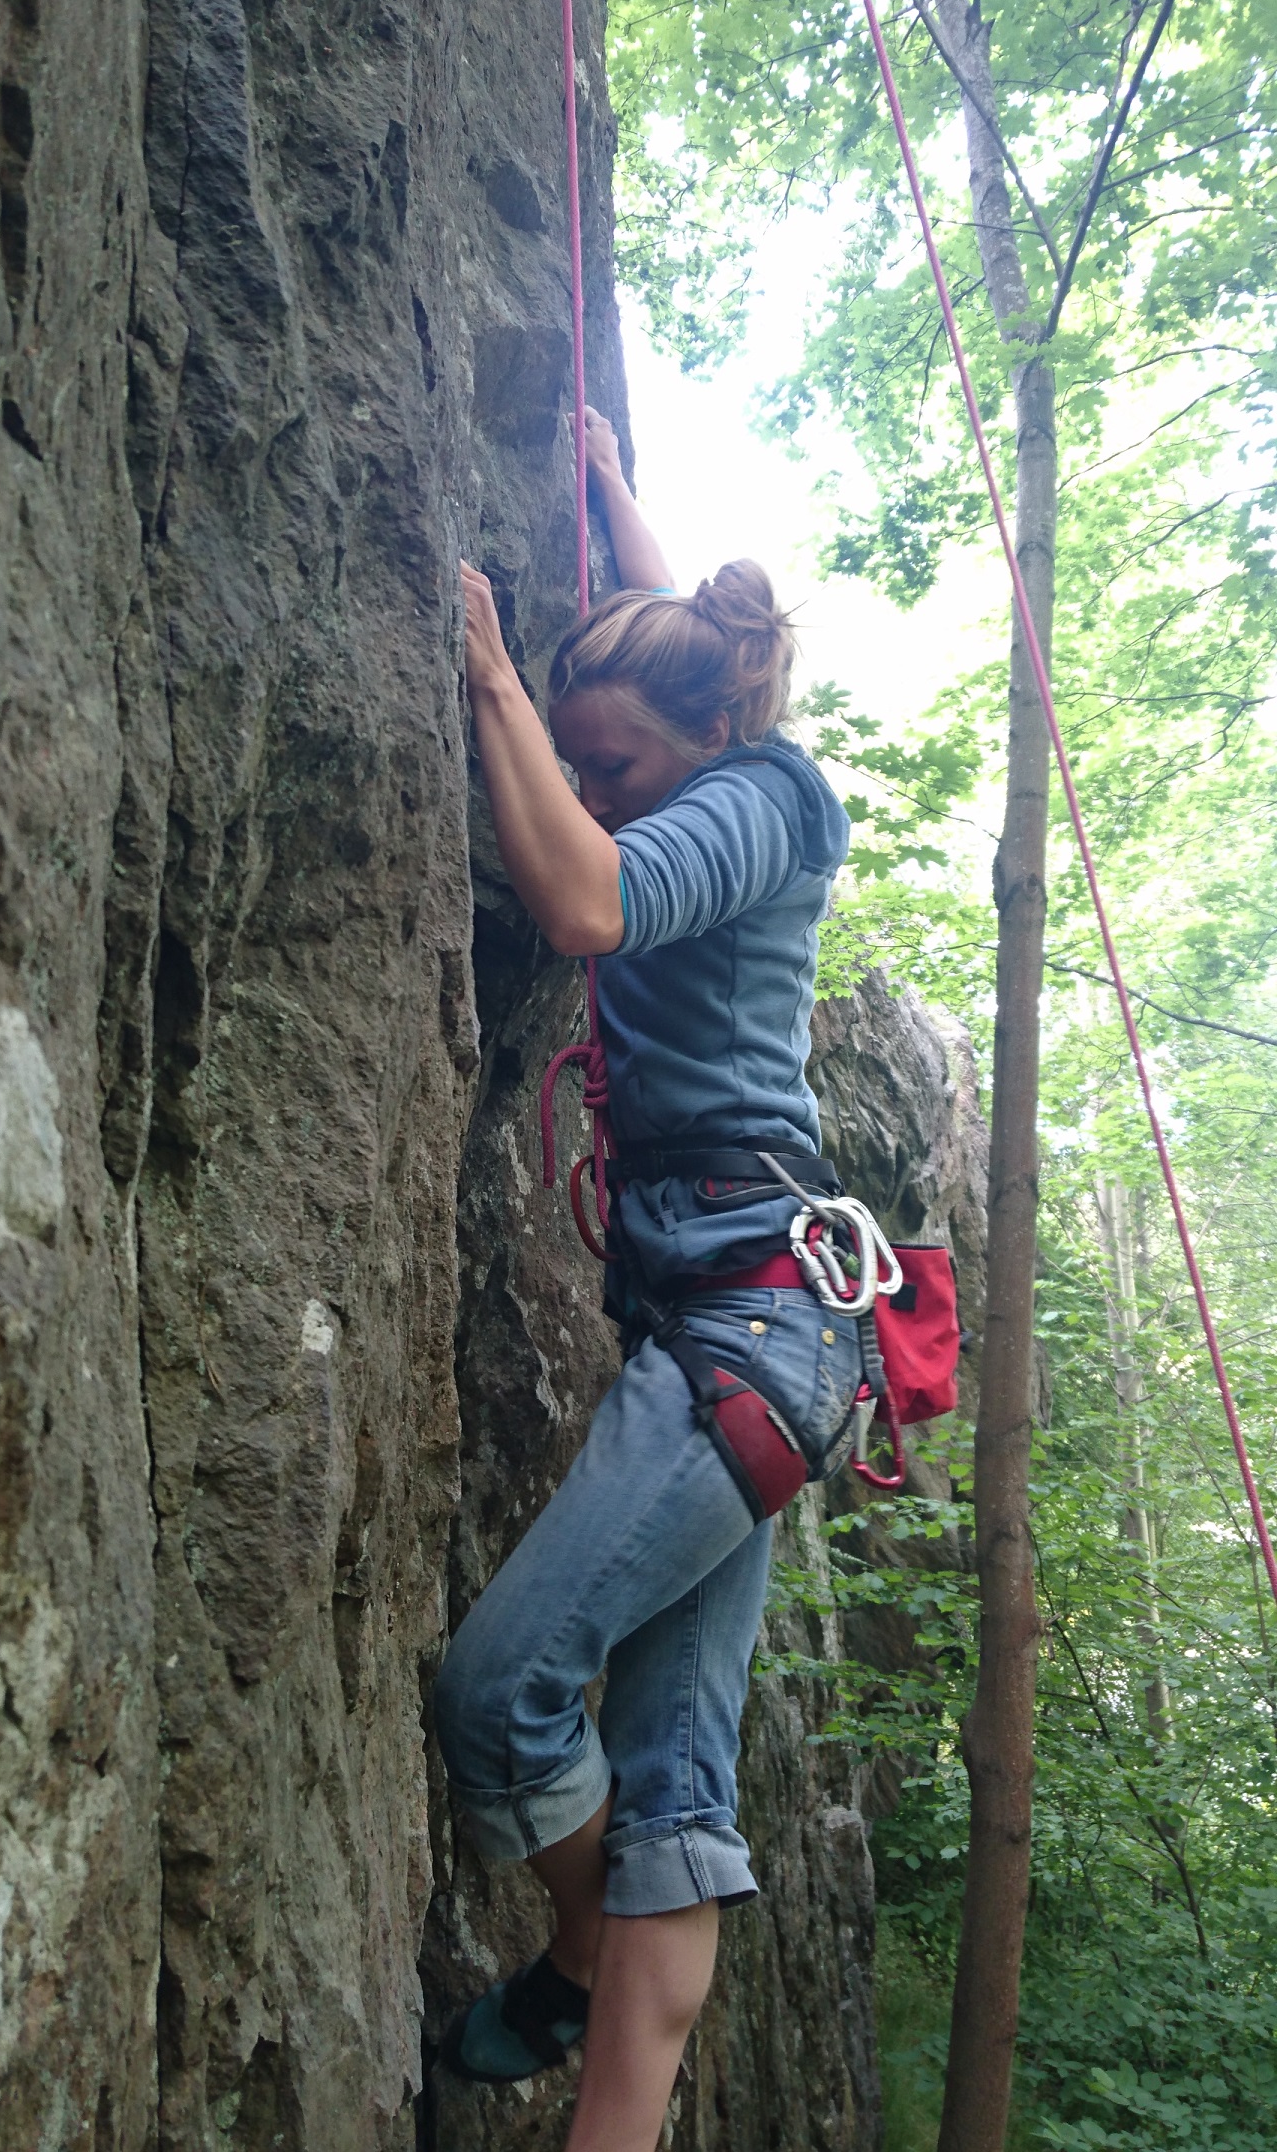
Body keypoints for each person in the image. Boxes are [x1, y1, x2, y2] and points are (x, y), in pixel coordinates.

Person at [434, 407, 858, 2152]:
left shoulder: (763, 796)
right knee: (675, 1790)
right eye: (583, 761)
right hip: (734, 1331)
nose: (595, 786)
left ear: (707, 736)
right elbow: (672, 686)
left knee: (502, 1688)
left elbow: (593, 894)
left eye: (620, 760)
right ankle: (600, 2015)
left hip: (756, 1333)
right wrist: (618, 508)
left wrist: (498, 693)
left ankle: (590, 1950)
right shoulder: (716, 743)